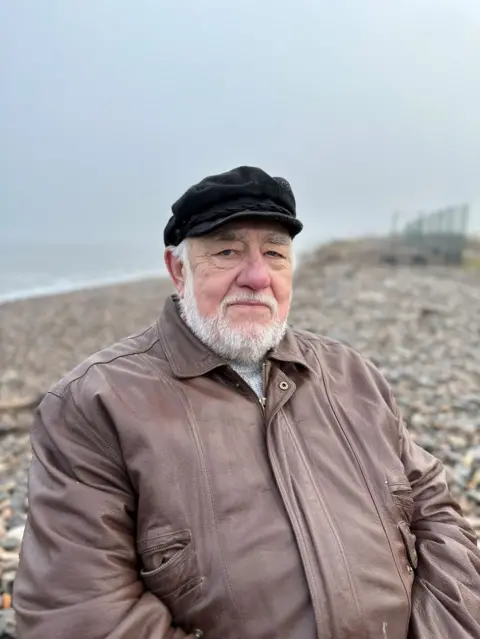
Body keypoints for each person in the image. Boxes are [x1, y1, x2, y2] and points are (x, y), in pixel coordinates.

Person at [14, 166, 480, 638]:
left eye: (275, 253)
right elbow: (77, 614)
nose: (257, 277)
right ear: (179, 270)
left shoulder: (352, 375)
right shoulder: (95, 404)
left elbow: (437, 514)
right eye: (226, 251)